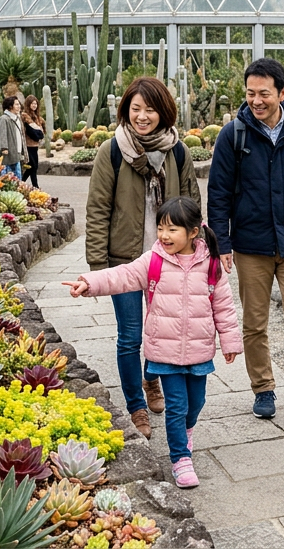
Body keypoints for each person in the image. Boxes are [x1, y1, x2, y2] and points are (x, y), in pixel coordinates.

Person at [65, 196, 241, 489]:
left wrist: (231, 341)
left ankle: (186, 430)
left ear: (193, 232)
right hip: (165, 350)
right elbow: (122, 276)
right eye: (161, 228)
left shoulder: (210, 265)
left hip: (199, 351)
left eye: (172, 229)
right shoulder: (154, 260)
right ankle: (180, 459)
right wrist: (89, 282)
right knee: (176, 405)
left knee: (195, 404)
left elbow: (223, 305)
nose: (164, 235)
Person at [208, 58, 284, 426]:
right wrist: (223, 242)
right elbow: (218, 193)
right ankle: (263, 388)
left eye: (264, 94)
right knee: (255, 323)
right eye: (250, 94)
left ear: (282, 93)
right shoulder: (234, 134)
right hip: (251, 245)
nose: (256, 101)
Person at [85, 77, 200, 438]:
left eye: (149, 109)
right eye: (135, 109)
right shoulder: (113, 150)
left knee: (161, 331)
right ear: (126, 111)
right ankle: (136, 405)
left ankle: (151, 378)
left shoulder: (177, 152)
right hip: (124, 259)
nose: (142, 116)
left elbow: (192, 206)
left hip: (168, 260)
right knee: (130, 336)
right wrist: (98, 266)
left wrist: (197, 252)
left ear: (163, 111)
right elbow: (98, 208)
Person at [0, 97, 26, 179]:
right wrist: (4, 148)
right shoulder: (5, 119)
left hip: (16, 151)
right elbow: (2, 133)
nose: (19, 106)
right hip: (8, 152)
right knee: (7, 174)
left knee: (16, 175)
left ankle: (18, 188)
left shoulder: (16, 118)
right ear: (10, 106)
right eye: (17, 104)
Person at [22, 95, 46, 188]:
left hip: (35, 145)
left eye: (36, 103)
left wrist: (39, 134)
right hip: (28, 145)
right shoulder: (25, 116)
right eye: (32, 103)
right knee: (33, 166)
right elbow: (33, 131)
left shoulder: (37, 117)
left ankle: (21, 182)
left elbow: (41, 132)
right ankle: (35, 186)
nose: (34, 105)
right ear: (28, 104)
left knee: (32, 166)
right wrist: (38, 134)